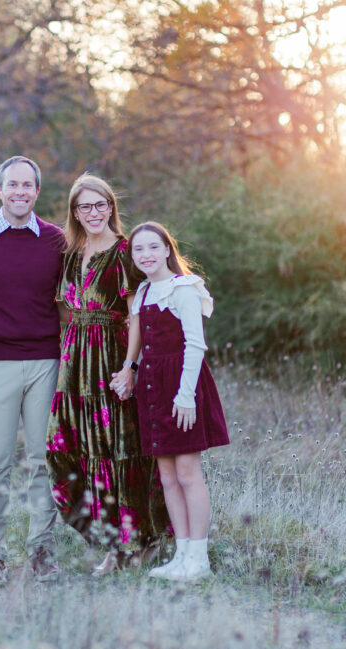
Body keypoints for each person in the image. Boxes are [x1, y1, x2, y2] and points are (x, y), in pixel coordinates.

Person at [46, 174, 169, 576]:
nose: (94, 213)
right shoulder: (69, 254)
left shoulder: (122, 251)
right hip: (75, 362)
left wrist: (130, 367)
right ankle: (106, 539)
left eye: (101, 205)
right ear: (75, 212)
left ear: (111, 208)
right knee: (67, 447)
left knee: (119, 452)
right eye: (85, 207)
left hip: (112, 357)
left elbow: (136, 314)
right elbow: (64, 309)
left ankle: (134, 543)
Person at [0, 156, 67, 587]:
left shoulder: (56, 241)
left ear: (37, 191)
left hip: (46, 361)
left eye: (28, 185)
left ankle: (42, 550)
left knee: (44, 460)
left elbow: (75, 298)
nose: (20, 191)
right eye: (13, 184)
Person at [122, 221, 230, 582]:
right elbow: (141, 345)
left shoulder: (184, 289)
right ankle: (181, 554)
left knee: (187, 473)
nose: (146, 255)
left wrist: (186, 397)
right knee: (167, 476)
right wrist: (130, 372)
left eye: (153, 247)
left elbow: (195, 345)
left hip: (181, 385)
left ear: (167, 249)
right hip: (152, 387)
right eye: (139, 250)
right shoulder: (143, 292)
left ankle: (199, 559)